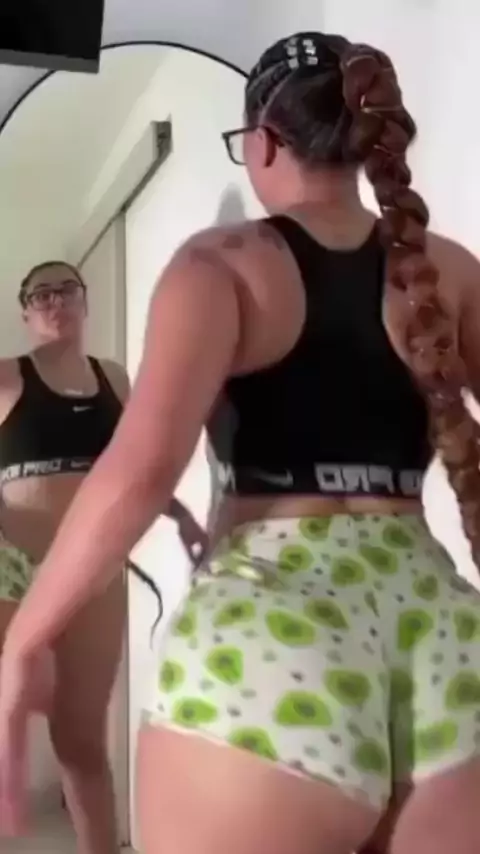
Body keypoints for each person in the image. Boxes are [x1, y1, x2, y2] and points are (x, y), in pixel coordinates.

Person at [0, 30, 479, 854]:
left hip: (271, 634)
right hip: (442, 637)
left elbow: (141, 471)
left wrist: (25, 638)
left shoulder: (222, 264)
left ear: (263, 142)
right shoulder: (449, 269)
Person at [0, 260, 205, 854]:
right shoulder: (8, 377)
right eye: (40, 294)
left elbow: (137, 464)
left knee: (81, 740)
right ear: (26, 313)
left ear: (84, 302)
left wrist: (179, 514)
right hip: (14, 571)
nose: (54, 301)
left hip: (93, 575)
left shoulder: (113, 377)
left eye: (65, 289)